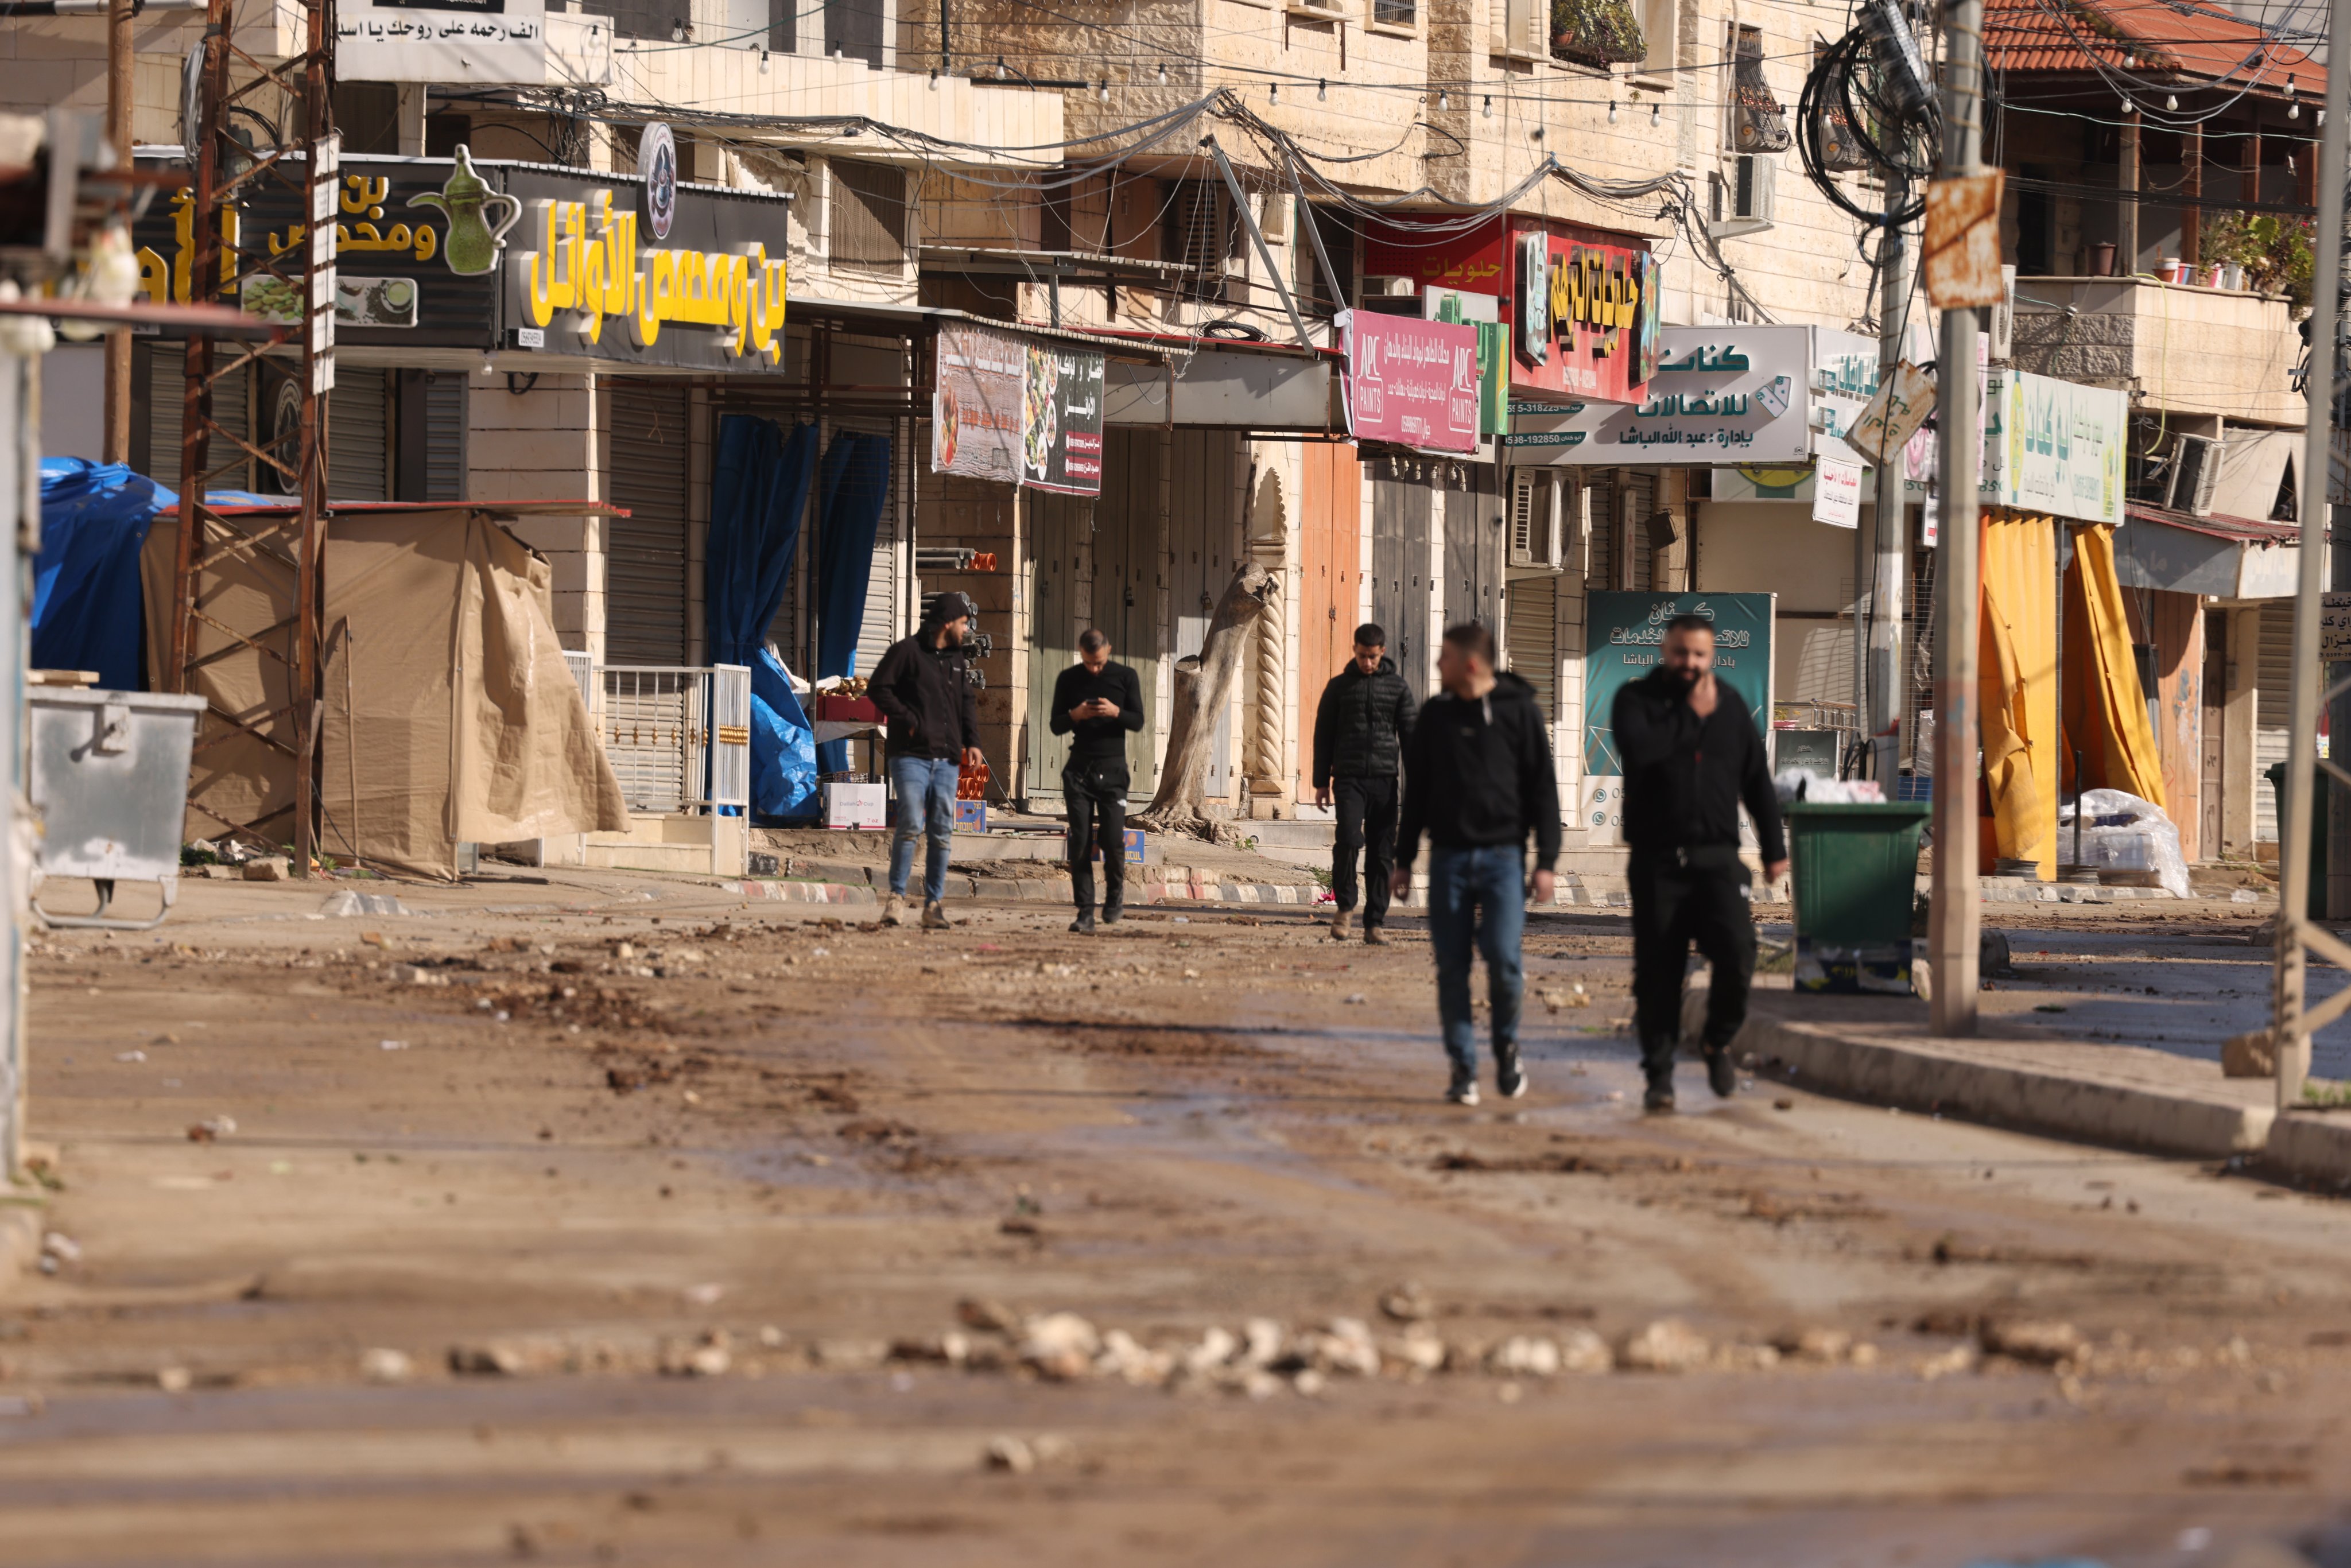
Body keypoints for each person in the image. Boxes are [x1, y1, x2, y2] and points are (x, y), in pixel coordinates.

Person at [1611, 612, 1787, 1113]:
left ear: (1712, 656)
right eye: (1679, 653)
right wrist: (1692, 714)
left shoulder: (1729, 706)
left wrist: (1774, 848)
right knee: (1658, 972)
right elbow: (1643, 752)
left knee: (1738, 955)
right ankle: (1660, 1076)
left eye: (1698, 655)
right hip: (1657, 860)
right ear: (1665, 652)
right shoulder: (1637, 700)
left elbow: (1755, 780)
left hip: (1717, 859)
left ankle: (1716, 1040)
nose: (1688, 663)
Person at [1392, 623, 1560, 1107]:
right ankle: (1463, 1068)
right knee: (1452, 967)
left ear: (1469, 663)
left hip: (1505, 858)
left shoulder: (1519, 713)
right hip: (1449, 860)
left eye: (1443, 657)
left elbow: (1542, 790)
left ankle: (1507, 1046)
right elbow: (1418, 793)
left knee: (1505, 961)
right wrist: (1402, 861)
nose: (1437, 666)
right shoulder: (1436, 716)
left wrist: (1546, 860)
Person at [867, 592, 985, 930]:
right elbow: (878, 689)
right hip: (911, 757)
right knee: (909, 826)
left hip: (947, 760)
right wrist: (909, 719)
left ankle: (933, 905)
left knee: (942, 832)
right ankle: (896, 899)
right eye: (963, 624)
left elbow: (967, 704)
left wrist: (973, 742)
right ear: (947, 623)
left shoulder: (957, 660)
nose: (966, 631)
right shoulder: (906, 652)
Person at [1313, 623, 1415, 945]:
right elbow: (1323, 737)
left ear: (1382, 652)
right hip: (1349, 779)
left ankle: (1375, 923)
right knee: (1348, 840)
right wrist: (1320, 783)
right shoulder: (1339, 687)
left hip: (1385, 781)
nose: (1367, 663)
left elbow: (1411, 738)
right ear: (1354, 650)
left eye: (1372, 657)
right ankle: (1345, 907)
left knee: (1382, 853)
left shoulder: (1398, 688)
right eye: (1361, 656)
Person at [1050, 628, 1146, 933]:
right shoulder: (1068, 678)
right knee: (1079, 841)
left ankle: (1115, 897)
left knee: (1113, 839)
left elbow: (1138, 721)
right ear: (1080, 653)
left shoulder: (1126, 676)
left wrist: (1116, 711)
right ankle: (1085, 913)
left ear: (1109, 650)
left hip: (1113, 769)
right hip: (1079, 769)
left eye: (1100, 663)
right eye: (1089, 663)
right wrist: (1076, 714)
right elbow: (1056, 725)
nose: (1094, 669)